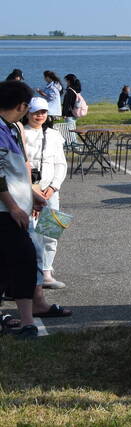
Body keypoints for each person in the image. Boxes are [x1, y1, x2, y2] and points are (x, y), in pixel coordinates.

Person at [0, 81, 48, 337]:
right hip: (6, 212)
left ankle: (26, 320)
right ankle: (27, 321)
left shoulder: (8, 128)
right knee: (24, 260)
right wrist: (14, 207)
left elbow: (12, 172)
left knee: (10, 264)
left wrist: (31, 195)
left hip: (15, 208)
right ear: (21, 106)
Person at [21, 98, 68, 289]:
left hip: (51, 192)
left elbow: (61, 164)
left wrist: (53, 187)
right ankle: (33, 273)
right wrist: (33, 191)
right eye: (35, 112)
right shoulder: (20, 133)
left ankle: (47, 271)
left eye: (43, 112)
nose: (39, 115)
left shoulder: (54, 135)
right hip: (27, 192)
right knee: (31, 235)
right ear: (27, 113)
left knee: (51, 233)